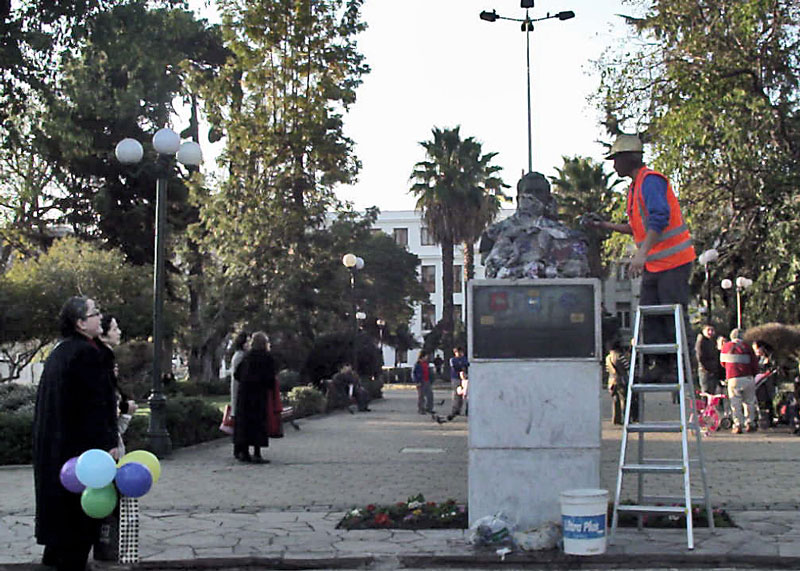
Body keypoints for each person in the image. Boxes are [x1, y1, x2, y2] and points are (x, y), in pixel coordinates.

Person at [589, 134, 695, 378]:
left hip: (674, 262)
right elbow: (638, 227)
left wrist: (640, 254)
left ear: (629, 159)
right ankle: (659, 366)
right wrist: (605, 225)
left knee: (671, 314)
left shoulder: (651, 181)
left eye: (616, 159)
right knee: (649, 313)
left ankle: (681, 369)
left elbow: (659, 218)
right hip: (656, 264)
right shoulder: (635, 187)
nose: (614, 165)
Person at [33, 296, 119, 571]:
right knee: (77, 528)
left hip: (57, 449)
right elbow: (94, 406)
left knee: (60, 530)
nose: (99, 317)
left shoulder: (62, 351)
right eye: (95, 313)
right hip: (79, 454)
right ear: (80, 323)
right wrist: (107, 443)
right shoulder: (85, 354)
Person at [233, 331, 278, 463]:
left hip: (244, 395)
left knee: (245, 423)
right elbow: (270, 378)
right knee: (258, 424)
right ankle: (257, 453)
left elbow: (237, 374)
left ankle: (244, 453)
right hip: (258, 396)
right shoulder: (267, 358)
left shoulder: (247, 357)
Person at [720, 328, 759, 434]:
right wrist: (754, 374)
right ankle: (750, 423)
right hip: (747, 377)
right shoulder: (747, 347)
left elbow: (723, 363)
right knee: (749, 402)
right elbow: (754, 363)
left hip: (733, 378)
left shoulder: (726, 347)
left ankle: (738, 425)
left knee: (735, 402)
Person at [229, 331, 249, 459]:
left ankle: (239, 449)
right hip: (238, 391)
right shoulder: (240, 356)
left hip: (238, 390)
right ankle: (239, 449)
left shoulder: (241, 355)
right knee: (239, 421)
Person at [605, 339, 631, 425]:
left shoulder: (608, 358)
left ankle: (616, 419)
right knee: (624, 400)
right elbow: (627, 367)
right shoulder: (620, 356)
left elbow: (607, 369)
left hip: (611, 381)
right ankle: (626, 418)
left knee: (615, 400)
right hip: (621, 380)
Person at [752, 340, 777, 428]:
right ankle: (760, 418)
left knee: (768, 399)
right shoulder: (757, 358)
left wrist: (767, 369)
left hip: (768, 381)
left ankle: (770, 418)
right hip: (759, 381)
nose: (756, 352)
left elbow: (773, 368)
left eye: (757, 349)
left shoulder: (770, 357)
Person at [695, 324, 721, 395]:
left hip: (713, 370)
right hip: (705, 371)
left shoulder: (712, 341)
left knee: (713, 392)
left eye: (712, 330)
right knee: (706, 392)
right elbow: (700, 357)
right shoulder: (701, 341)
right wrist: (708, 368)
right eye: (708, 330)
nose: (710, 332)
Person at [448, 347, 469, 420]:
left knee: (465, 394)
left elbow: (467, 365)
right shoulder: (453, 360)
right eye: (457, 352)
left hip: (464, 378)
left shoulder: (464, 359)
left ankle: (464, 409)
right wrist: (461, 368)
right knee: (456, 394)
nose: (459, 354)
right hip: (456, 378)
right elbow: (455, 367)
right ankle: (455, 409)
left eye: (460, 352)